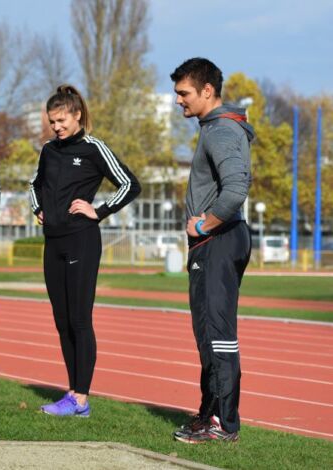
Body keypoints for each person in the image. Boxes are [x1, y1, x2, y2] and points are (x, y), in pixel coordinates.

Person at [30, 85, 140, 417]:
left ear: (77, 115)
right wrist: (39, 209)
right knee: (62, 322)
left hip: (82, 240)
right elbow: (35, 185)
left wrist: (100, 210)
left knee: (79, 319)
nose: (56, 127)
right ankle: (72, 392)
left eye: (61, 120)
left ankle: (80, 398)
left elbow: (130, 184)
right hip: (53, 243)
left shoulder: (94, 149)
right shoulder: (49, 150)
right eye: (52, 122)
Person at [170, 58, 253, 443]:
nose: (178, 101)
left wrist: (204, 224)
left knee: (216, 333)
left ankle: (222, 423)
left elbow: (236, 190)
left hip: (217, 241)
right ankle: (211, 413)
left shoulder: (220, 131)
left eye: (184, 93)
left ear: (207, 91)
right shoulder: (216, 127)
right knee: (210, 331)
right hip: (220, 241)